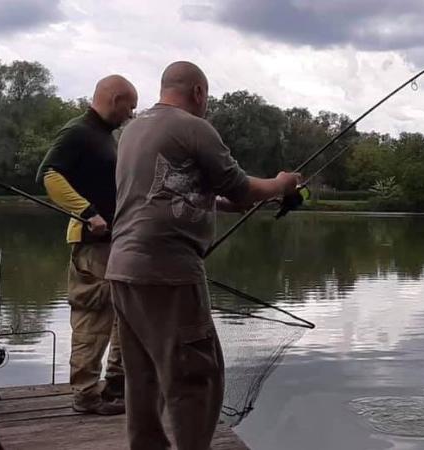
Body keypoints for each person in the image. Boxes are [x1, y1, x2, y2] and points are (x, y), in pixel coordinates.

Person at [106, 61, 301, 450]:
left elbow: (174, 193)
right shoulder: (193, 127)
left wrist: (233, 203)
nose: (206, 104)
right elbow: (242, 187)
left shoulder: (133, 129)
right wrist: (281, 184)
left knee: (143, 375)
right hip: (168, 271)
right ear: (198, 92)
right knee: (196, 374)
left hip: (124, 269)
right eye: (206, 96)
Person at [36, 74, 137, 415]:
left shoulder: (106, 137)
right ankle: (85, 394)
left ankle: (114, 387)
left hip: (118, 243)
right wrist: (87, 213)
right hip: (92, 245)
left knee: (125, 315)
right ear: (114, 99)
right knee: (93, 316)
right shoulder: (77, 131)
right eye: (130, 106)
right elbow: (49, 174)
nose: (131, 114)